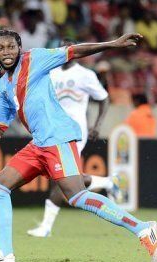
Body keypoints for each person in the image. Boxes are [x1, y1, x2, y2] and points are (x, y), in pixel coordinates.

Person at [0, 30, 157, 262]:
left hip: (58, 138)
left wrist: (113, 44)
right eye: (1, 48)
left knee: (77, 196)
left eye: (11, 47)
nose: (7, 52)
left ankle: (143, 229)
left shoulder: (35, 58)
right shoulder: (4, 85)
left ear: (19, 48)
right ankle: (5, 253)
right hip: (38, 144)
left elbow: (74, 51)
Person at [27, 38, 123, 238]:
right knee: (64, 177)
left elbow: (104, 98)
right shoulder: (50, 73)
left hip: (74, 131)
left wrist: (97, 125)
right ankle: (107, 183)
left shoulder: (85, 75)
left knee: (60, 177)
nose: (64, 51)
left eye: (67, 48)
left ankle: (45, 227)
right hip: (52, 130)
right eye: (61, 48)